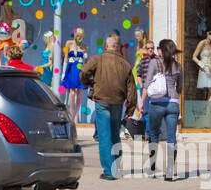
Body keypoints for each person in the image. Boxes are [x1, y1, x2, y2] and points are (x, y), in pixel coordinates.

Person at [81, 35, 138, 179]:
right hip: (117, 102)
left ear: (106, 46)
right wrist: (131, 108)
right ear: (118, 47)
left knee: (105, 136)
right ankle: (115, 166)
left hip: (102, 101)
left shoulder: (97, 59)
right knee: (114, 135)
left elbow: (83, 72)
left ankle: (109, 171)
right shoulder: (125, 64)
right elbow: (132, 89)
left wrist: (89, 83)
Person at [141, 39, 183, 180]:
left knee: (153, 135)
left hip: (157, 103)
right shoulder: (178, 66)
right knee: (171, 138)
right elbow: (180, 88)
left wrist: (142, 100)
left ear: (162, 50)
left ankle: (152, 168)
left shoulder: (154, 63)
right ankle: (170, 172)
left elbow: (146, 83)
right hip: (173, 103)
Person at [193, 30, 211, 119]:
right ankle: (207, 116)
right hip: (206, 70)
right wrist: (203, 66)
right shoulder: (202, 43)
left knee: (210, 94)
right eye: (210, 33)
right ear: (206, 34)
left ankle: (208, 116)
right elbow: (194, 57)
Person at [62, 28, 87, 120]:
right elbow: (65, 58)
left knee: (79, 93)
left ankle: (76, 115)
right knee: (72, 93)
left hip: (80, 69)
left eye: (81, 36)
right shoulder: (69, 43)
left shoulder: (85, 47)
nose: (79, 38)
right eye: (78, 36)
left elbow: (86, 62)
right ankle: (71, 114)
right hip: (71, 68)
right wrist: (63, 72)